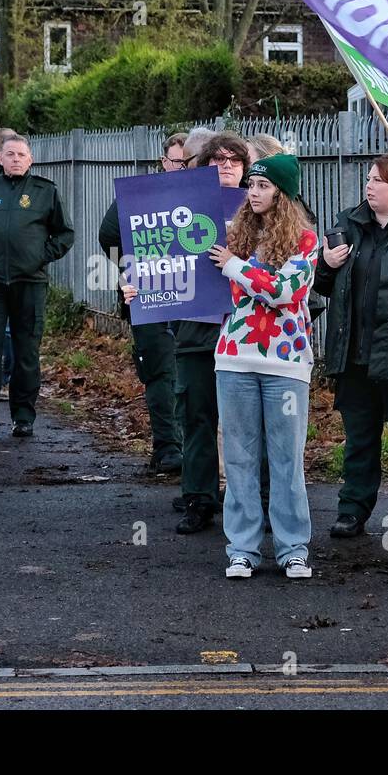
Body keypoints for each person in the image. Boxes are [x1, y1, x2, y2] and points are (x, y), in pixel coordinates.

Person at [314, 153, 388, 539]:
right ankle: (352, 509)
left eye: (378, 181)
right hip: (356, 354)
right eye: (368, 179)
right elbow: (321, 288)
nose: (369, 186)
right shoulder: (349, 224)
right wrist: (326, 265)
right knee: (359, 440)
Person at [209, 153, 318, 578]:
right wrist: (138, 287)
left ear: (282, 193)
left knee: (287, 458)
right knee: (238, 456)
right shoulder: (233, 234)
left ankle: (293, 548)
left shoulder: (305, 242)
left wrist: (235, 267)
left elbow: (284, 292)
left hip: (287, 363)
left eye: (262, 186)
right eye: (250, 185)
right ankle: (243, 547)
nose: (252, 193)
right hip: (233, 358)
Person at [154, 133, 252, 533]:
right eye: (218, 159)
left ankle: (253, 500)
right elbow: (153, 260)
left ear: (246, 168)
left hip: (247, 334)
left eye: (234, 160)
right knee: (197, 418)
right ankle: (198, 499)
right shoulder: (180, 206)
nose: (226, 165)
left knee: (248, 423)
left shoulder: (262, 208)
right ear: (204, 164)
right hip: (197, 332)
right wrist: (136, 286)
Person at [99, 132, 188, 475]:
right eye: (175, 161)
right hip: (150, 297)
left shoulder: (203, 194)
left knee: (190, 373)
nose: (181, 169)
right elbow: (108, 236)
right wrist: (128, 274)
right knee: (159, 371)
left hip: (193, 296)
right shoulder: (142, 193)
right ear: (164, 161)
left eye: (187, 163)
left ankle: (187, 448)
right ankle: (167, 448)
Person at [0, 136, 75, 437]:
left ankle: (23, 417)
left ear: (30, 159)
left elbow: (64, 234)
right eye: (10, 154)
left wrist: (39, 258)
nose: (16, 159)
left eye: (21, 154)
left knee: (26, 353)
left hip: (30, 283)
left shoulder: (45, 191)